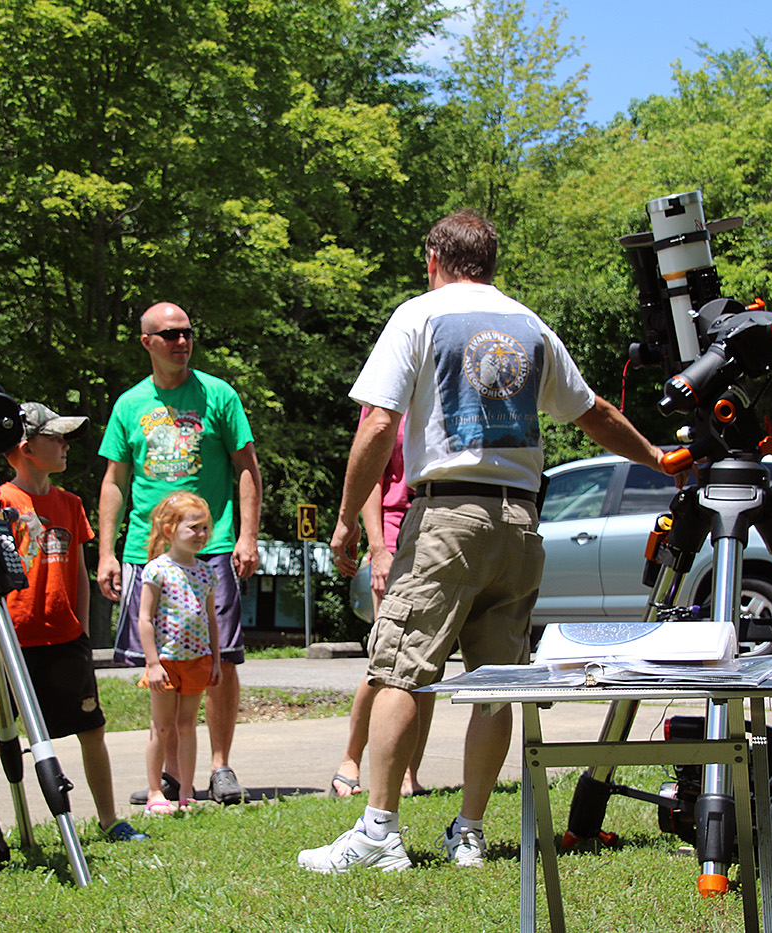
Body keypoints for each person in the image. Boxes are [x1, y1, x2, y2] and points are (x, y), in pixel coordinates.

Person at [298, 210, 671, 873]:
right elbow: (594, 413)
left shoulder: (419, 315)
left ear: (432, 258)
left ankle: (379, 834)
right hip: (521, 522)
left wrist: (348, 516)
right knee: (497, 682)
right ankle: (469, 832)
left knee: (399, 670)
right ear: (491, 263)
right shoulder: (530, 326)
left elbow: (379, 422)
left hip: (448, 517)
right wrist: (658, 459)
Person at [97, 301, 263, 806]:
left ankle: (220, 767)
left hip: (211, 550)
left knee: (220, 658)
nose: (181, 341)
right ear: (146, 342)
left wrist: (248, 536)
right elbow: (114, 481)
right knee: (161, 661)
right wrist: (106, 552)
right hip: (148, 554)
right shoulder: (129, 404)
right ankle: (172, 776)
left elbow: (247, 467)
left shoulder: (219, 394)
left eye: (187, 332)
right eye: (169, 335)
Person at [0, 402, 146, 843]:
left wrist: (80, 630)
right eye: (56, 438)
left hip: (65, 641)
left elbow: (79, 572)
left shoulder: (70, 504)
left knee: (91, 728)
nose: (65, 445)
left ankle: (109, 820)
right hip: (9, 642)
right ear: (26, 448)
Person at [330, 412, 436, 799]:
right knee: (386, 661)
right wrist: (377, 549)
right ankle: (351, 760)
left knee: (429, 665)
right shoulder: (389, 396)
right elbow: (371, 473)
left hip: (439, 532)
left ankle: (409, 771)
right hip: (393, 532)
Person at [136, 491, 223, 814]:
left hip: (198, 660)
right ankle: (155, 792)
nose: (201, 534)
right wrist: (152, 663)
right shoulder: (157, 570)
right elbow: (145, 619)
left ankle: (187, 791)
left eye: (205, 528)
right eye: (193, 527)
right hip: (166, 662)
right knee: (161, 727)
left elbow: (212, 620)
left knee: (187, 725)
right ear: (170, 529)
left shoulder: (206, 572)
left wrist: (215, 660)